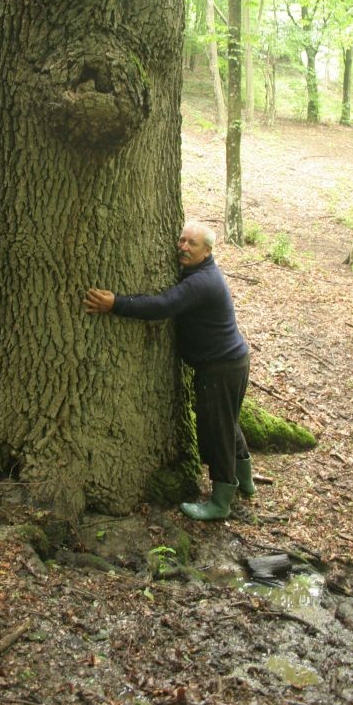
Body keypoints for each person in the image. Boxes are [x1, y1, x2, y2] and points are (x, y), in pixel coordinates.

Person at [84, 220, 255, 521]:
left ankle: (221, 501)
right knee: (228, 424)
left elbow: (163, 305)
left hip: (221, 367)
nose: (183, 247)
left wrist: (116, 304)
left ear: (207, 251)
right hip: (231, 363)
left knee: (217, 430)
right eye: (182, 240)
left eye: (192, 244)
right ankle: (246, 481)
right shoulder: (199, 273)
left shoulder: (201, 282)